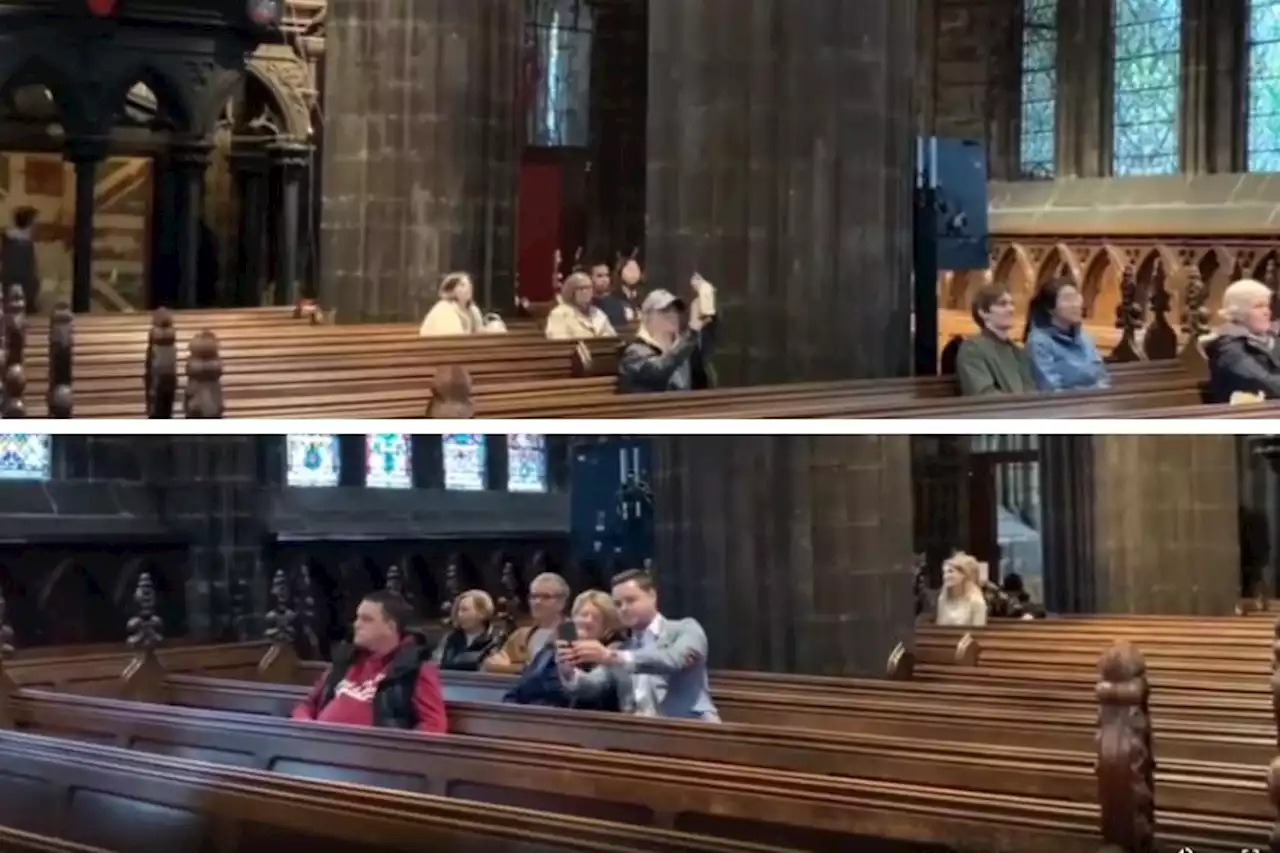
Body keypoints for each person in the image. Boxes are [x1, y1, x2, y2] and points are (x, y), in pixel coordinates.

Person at [556, 568, 719, 721]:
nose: (624, 608)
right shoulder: (622, 648)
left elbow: (673, 660)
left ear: (652, 596)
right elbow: (592, 686)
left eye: (631, 600)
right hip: (638, 730)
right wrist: (569, 672)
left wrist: (611, 656)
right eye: (618, 604)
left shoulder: (685, 629)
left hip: (688, 727)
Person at [291, 590, 447, 732]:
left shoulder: (415, 668)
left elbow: (434, 726)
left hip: (373, 757)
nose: (356, 625)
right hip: (320, 748)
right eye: (357, 618)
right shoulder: (345, 661)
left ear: (391, 627)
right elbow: (308, 704)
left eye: (366, 619)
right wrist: (306, 728)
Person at [503, 589, 624, 711]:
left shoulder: (612, 655)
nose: (587, 620)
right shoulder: (550, 651)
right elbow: (520, 689)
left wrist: (568, 672)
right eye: (583, 614)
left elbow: (589, 696)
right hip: (532, 718)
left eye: (596, 617)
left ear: (608, 628)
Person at [617, 276, 718, 394]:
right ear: (648, 317)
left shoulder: (684, 348)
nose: (673, 315)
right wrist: (692, 333)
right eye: (665, 311)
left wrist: (707, 303)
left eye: (676, 310)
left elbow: (704, 371)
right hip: (649, 410)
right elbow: (658, 371)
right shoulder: (634, 353)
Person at [1024, 277, 1110, 392]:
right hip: (1064, 406)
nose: (1075, 305)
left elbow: (1102, 377)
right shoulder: (1039, 343)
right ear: (1050, 308)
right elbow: (1051, 388)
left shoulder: (1085, 338)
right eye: (1067, 299)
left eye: (1076, 297)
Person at [1203, 278, 1280, 403]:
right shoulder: (1228, 348)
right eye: (1258, 306)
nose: (1267, 312)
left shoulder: (1272, 339)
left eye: (1266, 305)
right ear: (1238, 311)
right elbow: (1263, 382)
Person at [956, 282, 1036, 395]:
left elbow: (1030, 388)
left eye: (1012, 304)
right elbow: (983, 393)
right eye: (1002, 304)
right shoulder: (972, 349)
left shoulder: (1017, 351)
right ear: (983, 312)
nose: (1011, 309)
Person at [481, 572, 569, 674]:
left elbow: (562, 671)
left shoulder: (569, 630)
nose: (537, 602)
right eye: (534, 596)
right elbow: (490, 664)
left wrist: (511, 668)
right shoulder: (520, 635)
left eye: (546, 597)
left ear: (562, 602)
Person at [418, 271, 507, 337]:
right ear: (451, 291)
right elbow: (453, 337)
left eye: (469, 284)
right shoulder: (444, 309)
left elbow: (479, 332)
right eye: (462, 285)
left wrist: (493, 328)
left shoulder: (472, 309)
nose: (468, 287)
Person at [432, 589, 501, 671]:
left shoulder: (496, 640)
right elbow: (434, 666)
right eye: (458, 610)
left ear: (482, 613)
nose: (459, 614)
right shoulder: (449, 639)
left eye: (465, 610)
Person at [545, 271, 618, 340]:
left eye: (589, 288)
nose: (586, 292)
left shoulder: (597, 313)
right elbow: (560, 342)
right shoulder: (559, 314)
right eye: (581, 288)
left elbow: (612, 337)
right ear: (571, 291)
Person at [1, 206, 39, 313]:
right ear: (29, 223)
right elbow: (22, 272)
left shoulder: (12, 241)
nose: (36, 227)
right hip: (18, 292)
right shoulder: (20, 245)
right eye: (34, 223)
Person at [934, 553, 988, 628]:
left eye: (950, 571)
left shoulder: (977, 602)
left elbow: (978, 634)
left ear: (964, 575)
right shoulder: (942, 599)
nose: (946, 576)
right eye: (944, 572)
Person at [590, 258, 632, 329]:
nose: (605, 280)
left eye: (607, 275)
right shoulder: (586, 303)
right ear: (590, 278)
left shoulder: (616, 304)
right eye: (599, 276)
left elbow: (622, 331)